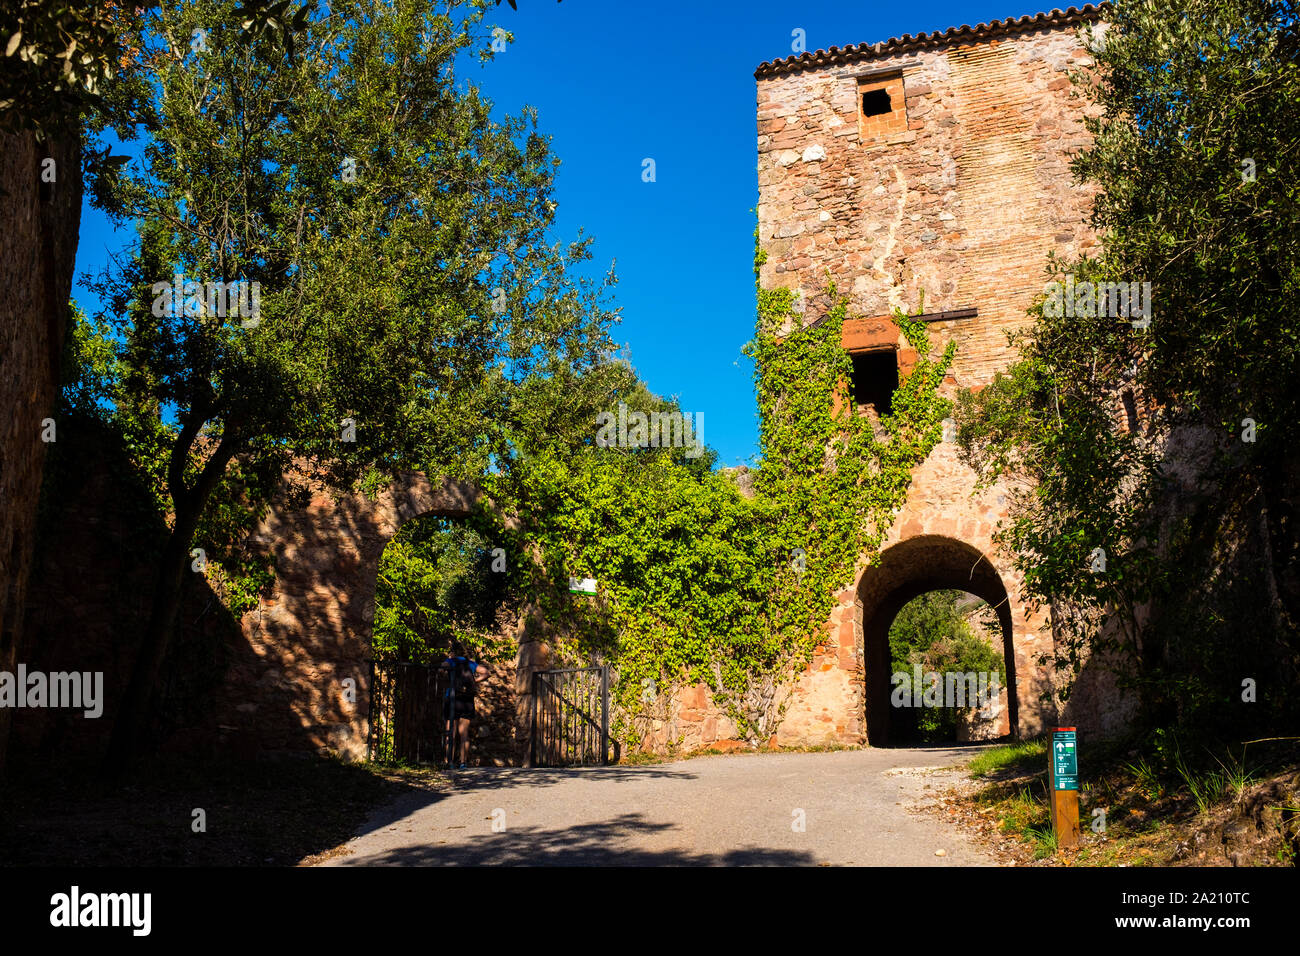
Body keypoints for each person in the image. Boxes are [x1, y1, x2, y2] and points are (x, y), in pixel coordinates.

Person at [440, 642, 487, 768]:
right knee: (464, 733)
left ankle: (448, 762)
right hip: (466, 699)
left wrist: (448, 664)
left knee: (451, 732)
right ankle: (463, 763)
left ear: (452, 652)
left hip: (453, 698)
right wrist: (475, 681)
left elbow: (441, 669)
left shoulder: (450, 661)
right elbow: (486, 672)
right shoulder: (470, 663)